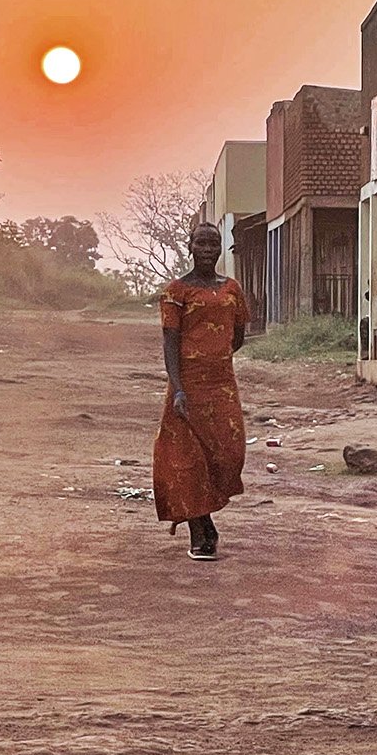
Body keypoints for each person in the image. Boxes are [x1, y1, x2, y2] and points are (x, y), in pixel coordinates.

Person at [155, 224, 250, 561]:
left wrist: (216, 359)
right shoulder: (176, 292)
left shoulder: (232, 289)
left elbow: (237, 336)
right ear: (190, 246)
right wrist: (179, 388)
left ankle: (206, 514)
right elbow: (170, 344)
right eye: (201, 243)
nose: (208, 248)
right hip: (186, 386)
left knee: (229, 453)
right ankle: (199, 528)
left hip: (222, 384)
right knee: (188, 458)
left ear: (221, 248)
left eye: (214, 243)